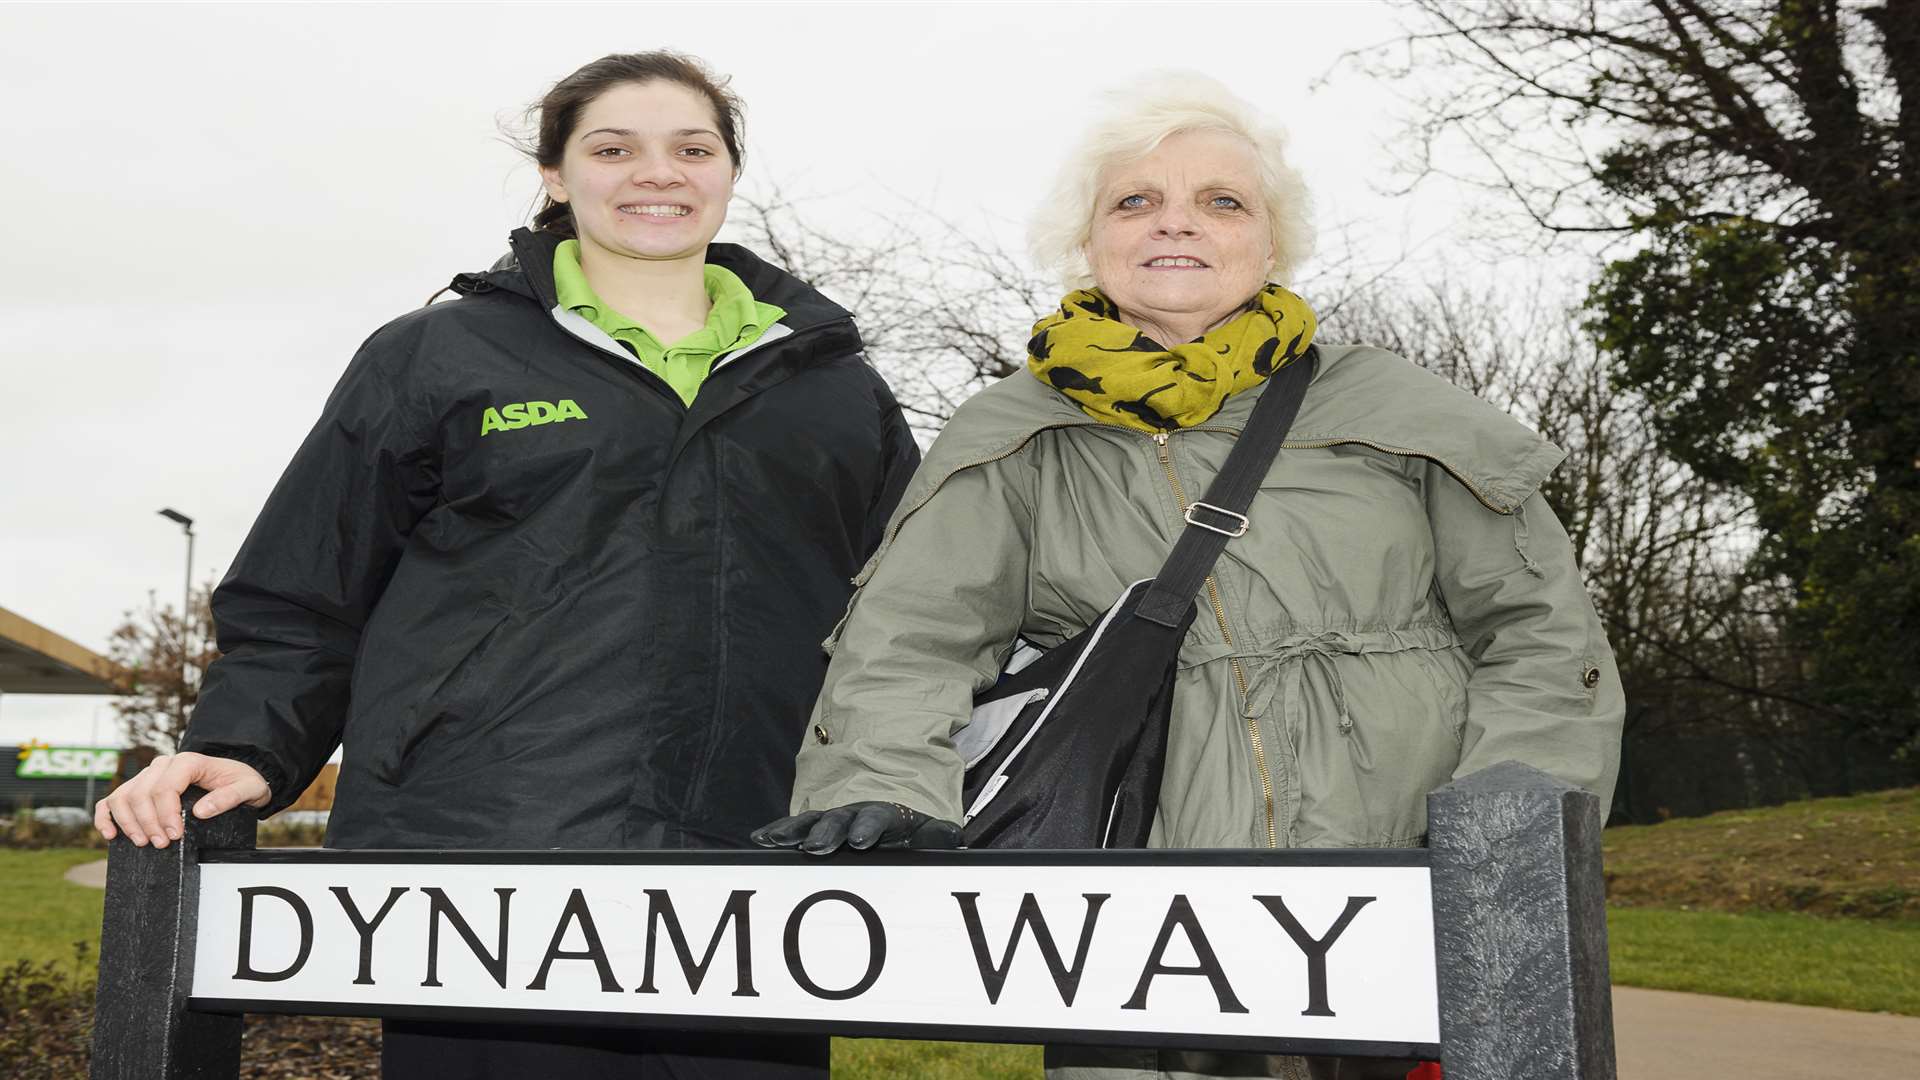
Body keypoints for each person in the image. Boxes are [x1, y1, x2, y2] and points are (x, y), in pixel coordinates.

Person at [754, 73, 1624, 1080]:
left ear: (1270, 241)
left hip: (1401, 905)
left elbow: (1539, 632)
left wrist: (1508, 821)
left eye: (1222, 201)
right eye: (1136, 201)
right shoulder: (1015, 434)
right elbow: (911, 636)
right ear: (1088, 240)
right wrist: (880, 783)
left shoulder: (1400, 407)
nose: (1178, 224)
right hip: (1139, 933)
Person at [95, 51, 918, 1080]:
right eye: (613, 148)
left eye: (691, 148)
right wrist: (246, 746)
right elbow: (308, 591)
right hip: (478, 879)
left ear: (727, 173)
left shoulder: (836, 390)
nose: (656, 173)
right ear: (557, 177)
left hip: (750, 882)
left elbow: (909, 622)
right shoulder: (434, 357)